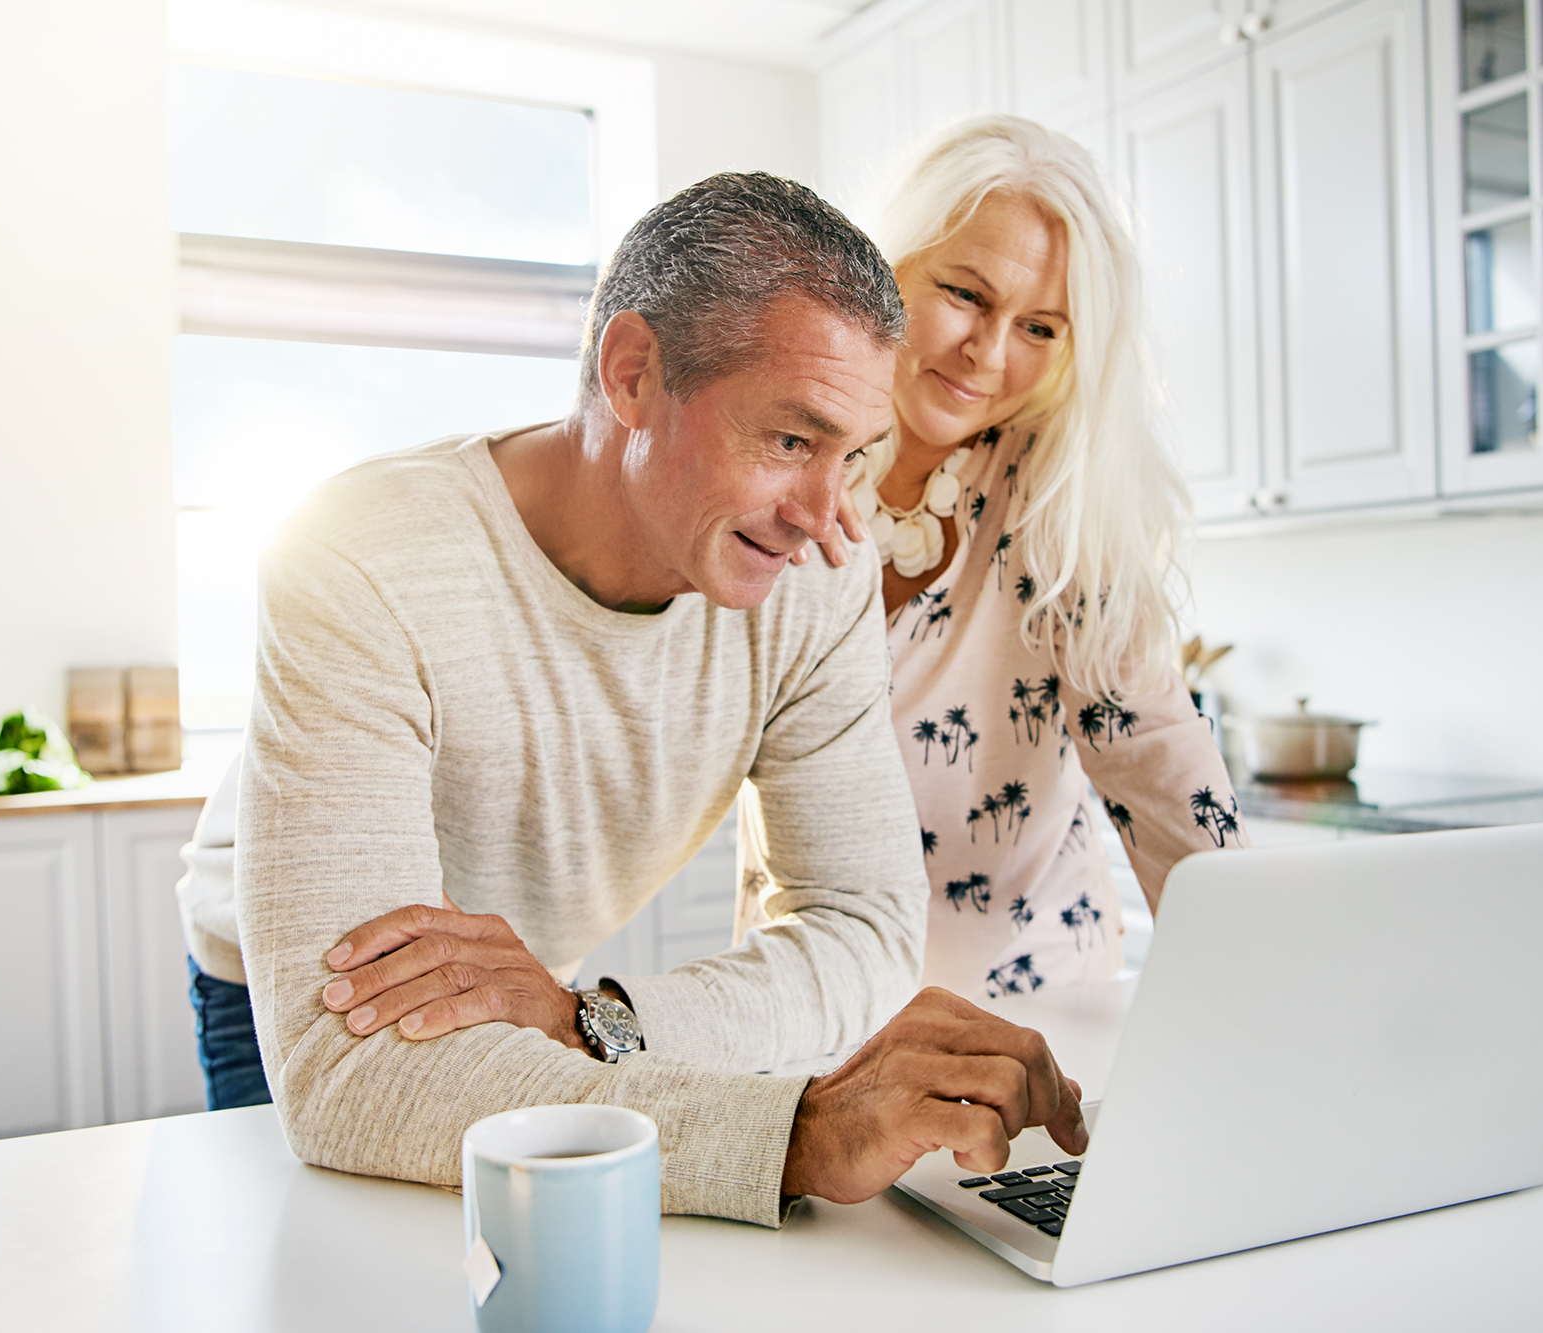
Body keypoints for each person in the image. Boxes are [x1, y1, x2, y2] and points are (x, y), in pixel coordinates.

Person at [181, 172, 1086, 1228]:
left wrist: (592, 1020)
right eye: (790, 441)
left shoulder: (816, 576)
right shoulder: (363, 551)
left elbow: (866, 930)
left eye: (853, 455)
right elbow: (354, 1082)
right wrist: (797, 1133)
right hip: (292, 996)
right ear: (631, 373)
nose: (823, 516)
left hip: (541, 989)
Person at [771, 116, 1248, 1000]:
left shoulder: (1055, 488)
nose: (987, 354)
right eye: (965, 295)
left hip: (1039, 1007)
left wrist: (1263, 964)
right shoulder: (780, 472)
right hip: (813, 1002)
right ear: (888, 264)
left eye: (1040, 327)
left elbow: (1149, 740)